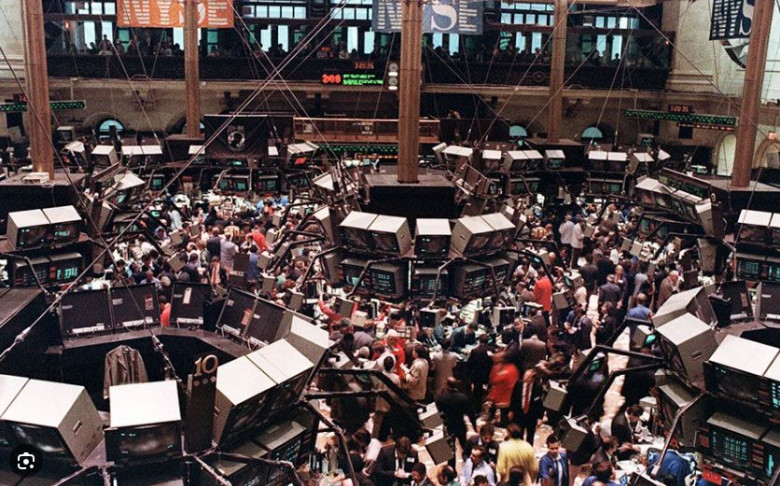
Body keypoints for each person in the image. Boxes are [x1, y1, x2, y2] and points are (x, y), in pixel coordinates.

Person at [508, 369, 544, 445]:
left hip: (532, 415)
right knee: (519, 434)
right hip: (519, 413)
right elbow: (513, 397)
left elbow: (540, 404)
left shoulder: (538, 387)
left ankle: (528, 450)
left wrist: (540, 417)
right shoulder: (518, 384)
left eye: (528, 377)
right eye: (525, 376)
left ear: (532, 379)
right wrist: (511, 410)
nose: (525, 378)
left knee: (530, 435)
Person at [434, 377, 471, 450]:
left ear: (447, 385)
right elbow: (469, 412)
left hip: (448, 425)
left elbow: (438, 411)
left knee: (450, 448)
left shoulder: (441, 397)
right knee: (464, 445)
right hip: (460, 424)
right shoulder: (463, 398)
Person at [487, 351, 519, 426]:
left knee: (503, 410)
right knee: (495, 406)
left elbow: (494, 379)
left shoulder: (507, 368)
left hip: (504, 392)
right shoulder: (512, 367)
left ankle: (503, 422)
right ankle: (492, 417)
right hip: (501, 391)